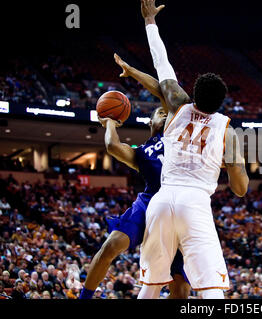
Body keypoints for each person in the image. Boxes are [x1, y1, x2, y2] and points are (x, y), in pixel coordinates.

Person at [138, 0, 249, 299]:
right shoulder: (228, 130)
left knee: (150, 286)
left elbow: (162, 64)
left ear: (193, 93)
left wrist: (150, 21)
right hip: (195, 203)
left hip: (161, 201)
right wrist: (233, 165)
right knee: (211, 289)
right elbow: (239, 189)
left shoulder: (176, 104)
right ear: (221, 103)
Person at [78, 54, 190, 299]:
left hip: (179, 209)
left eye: (166, 111)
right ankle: (84, 297)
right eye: (160, 112)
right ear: (150, 122)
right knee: (111, 245)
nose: (164, 112)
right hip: (149, 204)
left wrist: (131, 71)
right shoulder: (140, 153)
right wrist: (110, 123)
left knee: (181, 289)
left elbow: (162, 89)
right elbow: (113, 147)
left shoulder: (177, 132)